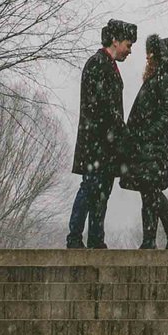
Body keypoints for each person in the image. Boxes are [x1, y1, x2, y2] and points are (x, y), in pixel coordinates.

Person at [67, 19, 137, 248]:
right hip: (97, 143)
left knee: (100, 192)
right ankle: (76, 238)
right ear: (115, 41)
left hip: (102, 143)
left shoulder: (104, 64)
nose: (129, 50)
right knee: (91, 189)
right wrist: (120, 133)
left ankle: (95, 239)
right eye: (128, 44)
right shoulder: (98, 64)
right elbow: (103, 109)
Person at [119, 34, 168, 251]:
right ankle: (152, 240)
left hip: (154, 146)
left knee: (152, 191)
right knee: (149, 193)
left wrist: (147, 134)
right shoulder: (157, 79)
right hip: (145, 146)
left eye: (153, 54)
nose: (149, 58)